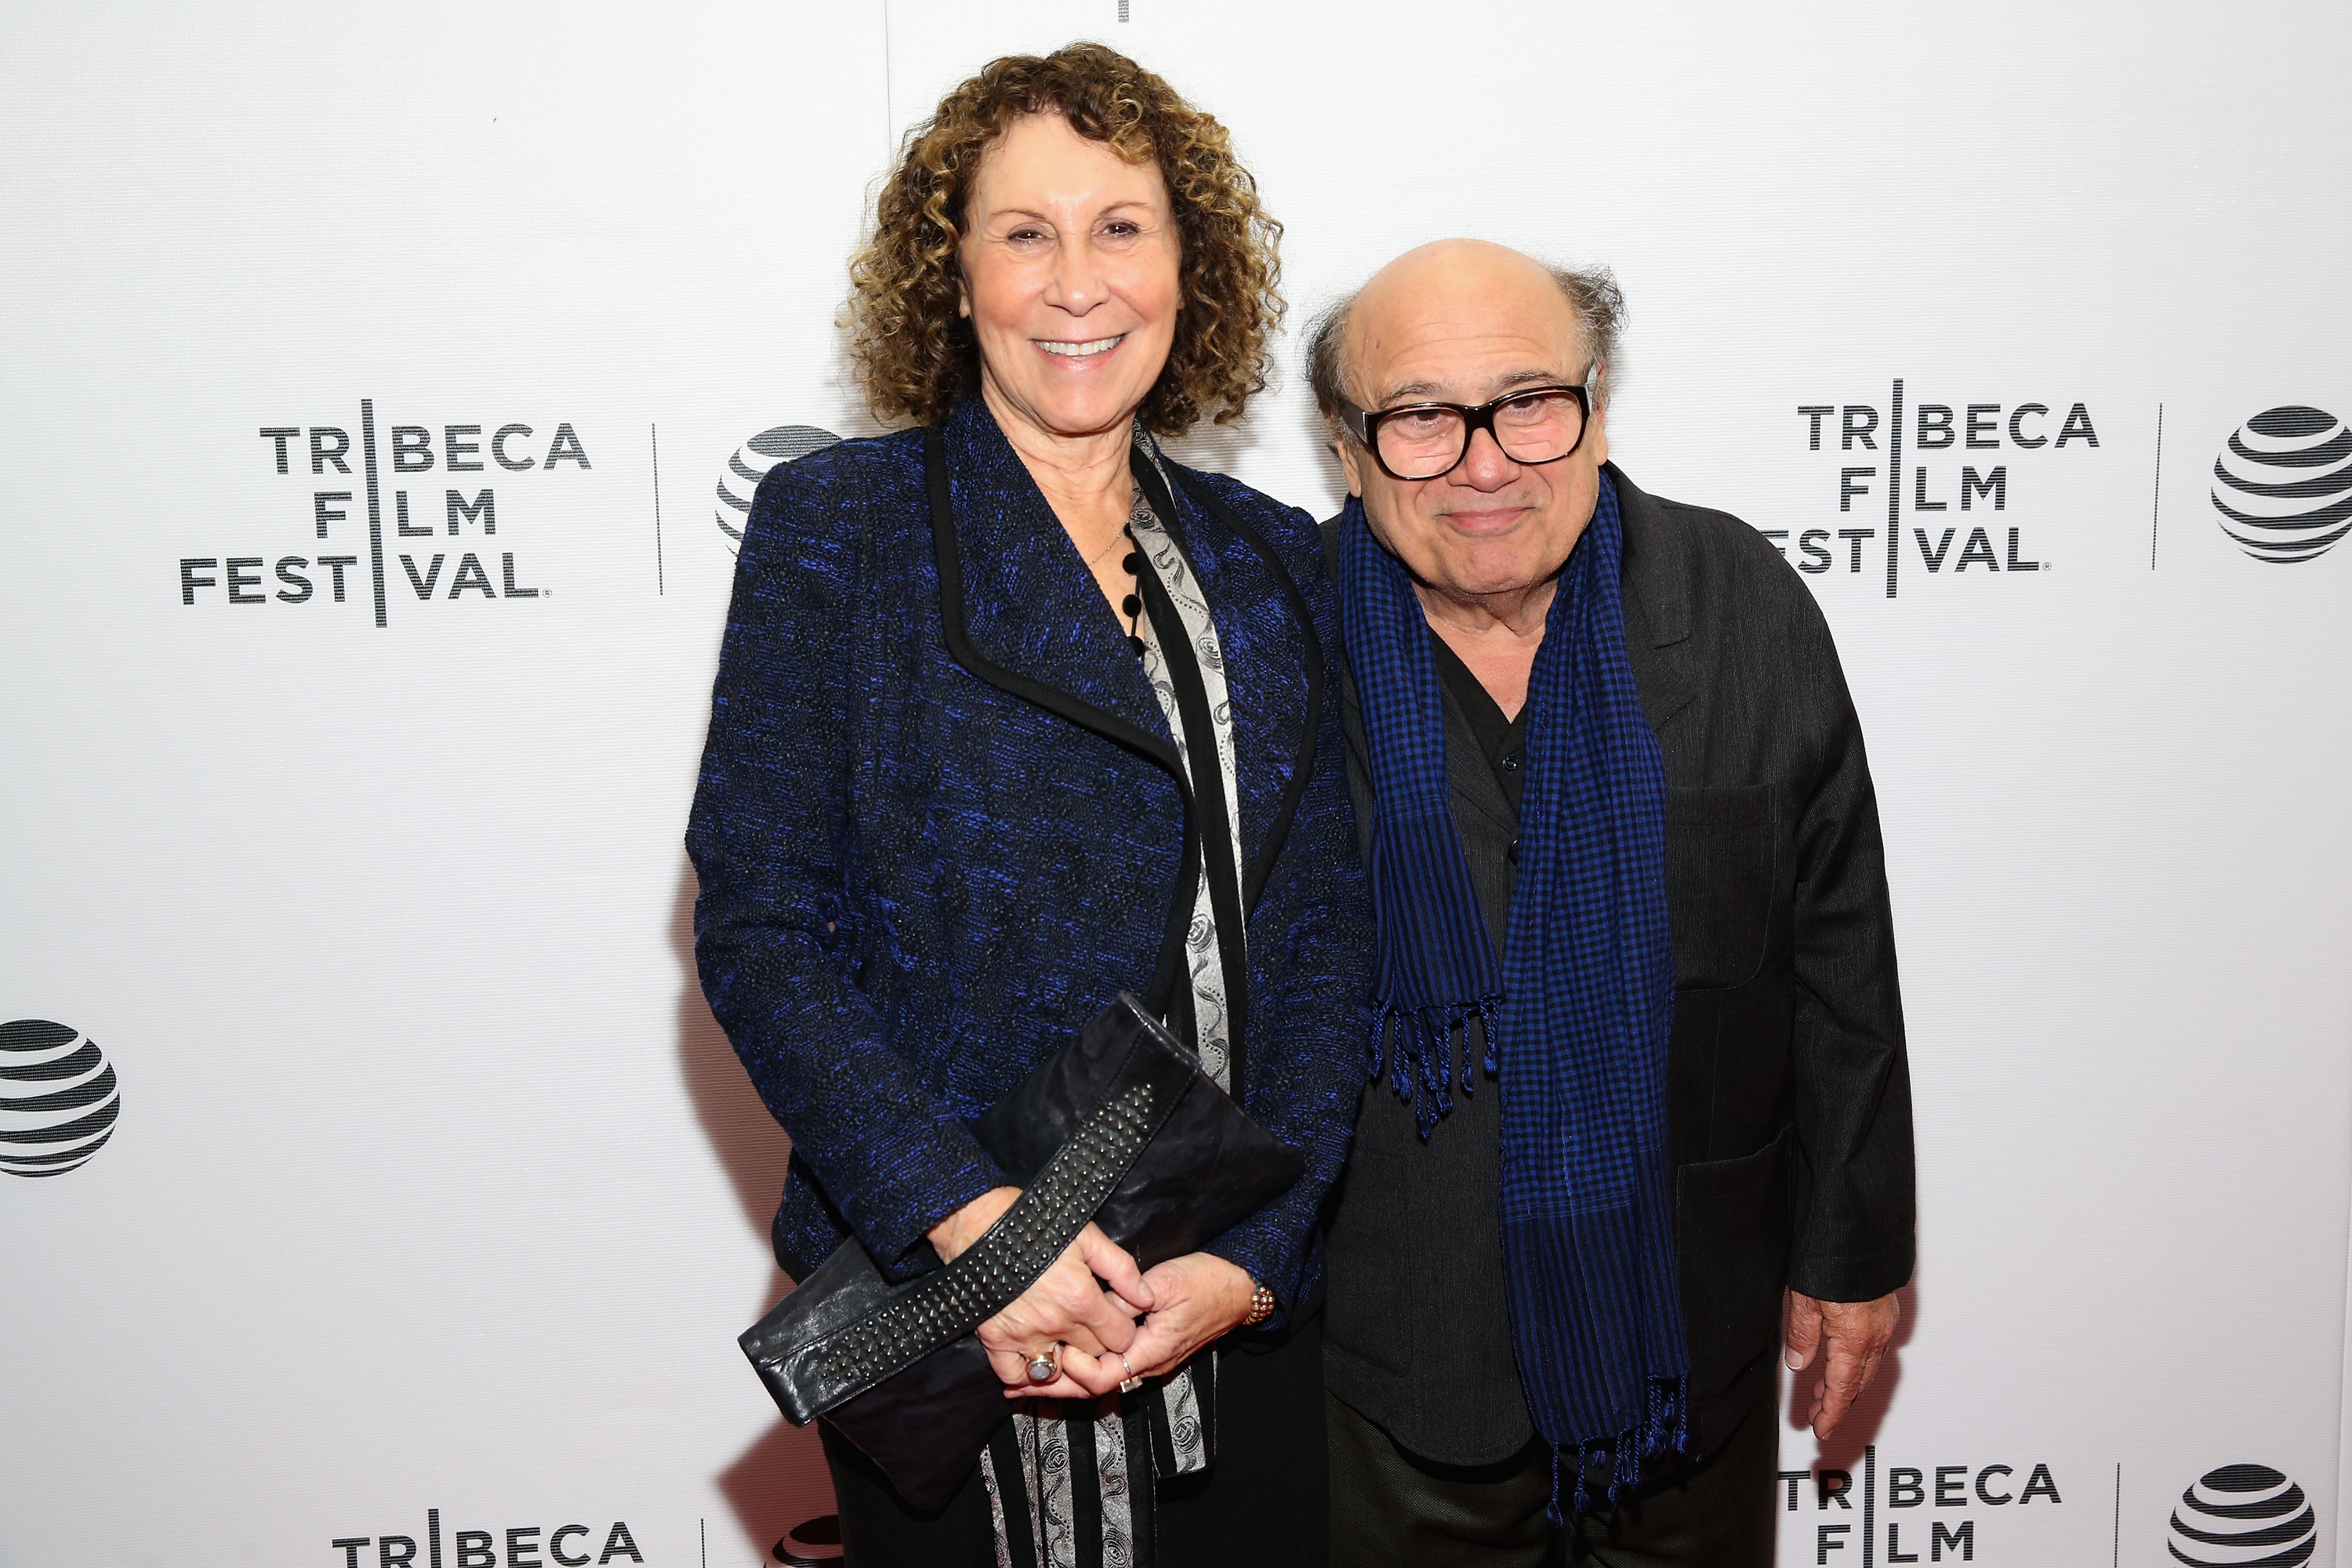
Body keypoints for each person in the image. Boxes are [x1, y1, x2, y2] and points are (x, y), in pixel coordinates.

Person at [687, 44, 1369, 1568]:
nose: (1080, 282)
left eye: (1123, 227)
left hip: (1218, 1320)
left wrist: (1257, 1264)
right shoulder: (839, 532)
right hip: (956, 1312)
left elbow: (1330, 940)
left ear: (1190, 267)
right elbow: (763, 925)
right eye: (1025, 231)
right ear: (953, 271)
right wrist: (977, 1219)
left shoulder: (1274, 563)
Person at [1308, 240, 1915, 1566]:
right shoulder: (1275, 642)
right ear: (1349, 450)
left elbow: (1837, 955)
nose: (1484, 460)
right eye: (1421, 416)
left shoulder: (1740, 604)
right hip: (1390, 1358)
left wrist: (1855, 1247)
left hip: (1681, 1332)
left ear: (1594, 401)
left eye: (1527, 400)